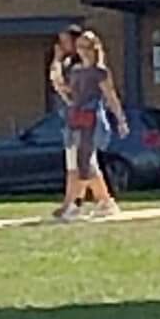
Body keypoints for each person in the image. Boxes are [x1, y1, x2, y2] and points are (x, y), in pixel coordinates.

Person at [55, 30, 128, 222]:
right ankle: (105, 202)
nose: (83, 51)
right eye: (80, 47)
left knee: (84, 161)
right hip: (75, 118)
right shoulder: (76, 70)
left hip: (91, 119)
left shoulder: (100, 72)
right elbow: (71, 96)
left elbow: (110, 97)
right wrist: (61, 87)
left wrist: (120, 119)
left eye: (87, 47)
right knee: (85, 163)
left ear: (95, 49)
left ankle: (75, 205)